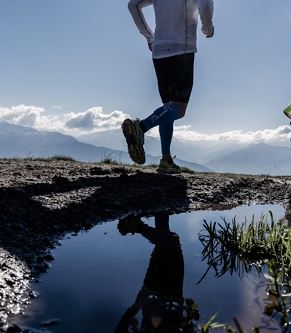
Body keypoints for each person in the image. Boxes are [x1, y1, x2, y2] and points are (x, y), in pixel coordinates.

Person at [122, 0, 214, 174]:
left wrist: (149, 36)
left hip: (159, 53)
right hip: (182, 50)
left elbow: (133, 5)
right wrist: (207, 28)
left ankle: (166, 160)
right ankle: (140, 127)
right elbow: (206, 5)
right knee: (178, 109)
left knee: (168, 108)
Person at [114, 213, 199, 333]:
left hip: (156, 294)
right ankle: (159, 209)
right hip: (169, 295)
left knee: (171, 243)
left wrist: (135, 308)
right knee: (165, 241)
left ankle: (138, 226)